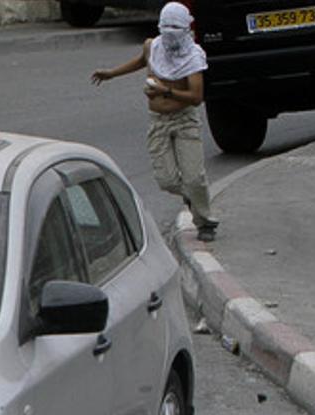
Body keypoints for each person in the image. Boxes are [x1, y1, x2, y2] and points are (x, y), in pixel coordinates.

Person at [90, 2, 220, 242]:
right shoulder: (153, 46)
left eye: (175, 27)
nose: (170, 32)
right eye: (166, 26)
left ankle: (205, 221)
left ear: (185, 28)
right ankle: (191, 196)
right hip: (158, 121)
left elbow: (196, 97)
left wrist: (166, 91)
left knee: (194, 177)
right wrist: (112, 73)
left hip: (184, 121)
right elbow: (141, 61)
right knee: (166, 180)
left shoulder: (192, 56)